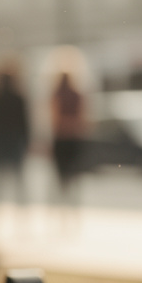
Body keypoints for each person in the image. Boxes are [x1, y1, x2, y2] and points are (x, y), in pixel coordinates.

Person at [0, 67, 30, 203]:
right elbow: (24, 123)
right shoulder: (18, 98)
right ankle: (20, 204)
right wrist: (27, 141)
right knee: (18, 177)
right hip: (14, 140)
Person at [50, 70, 87, 206]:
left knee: (62, 178)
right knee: (73, 177)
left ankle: (63, 204)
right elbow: (83, 118)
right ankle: (71, 205)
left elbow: (54, 118)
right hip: (73, 139)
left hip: (62, 139)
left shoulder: (57, 95)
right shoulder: (76, 95)